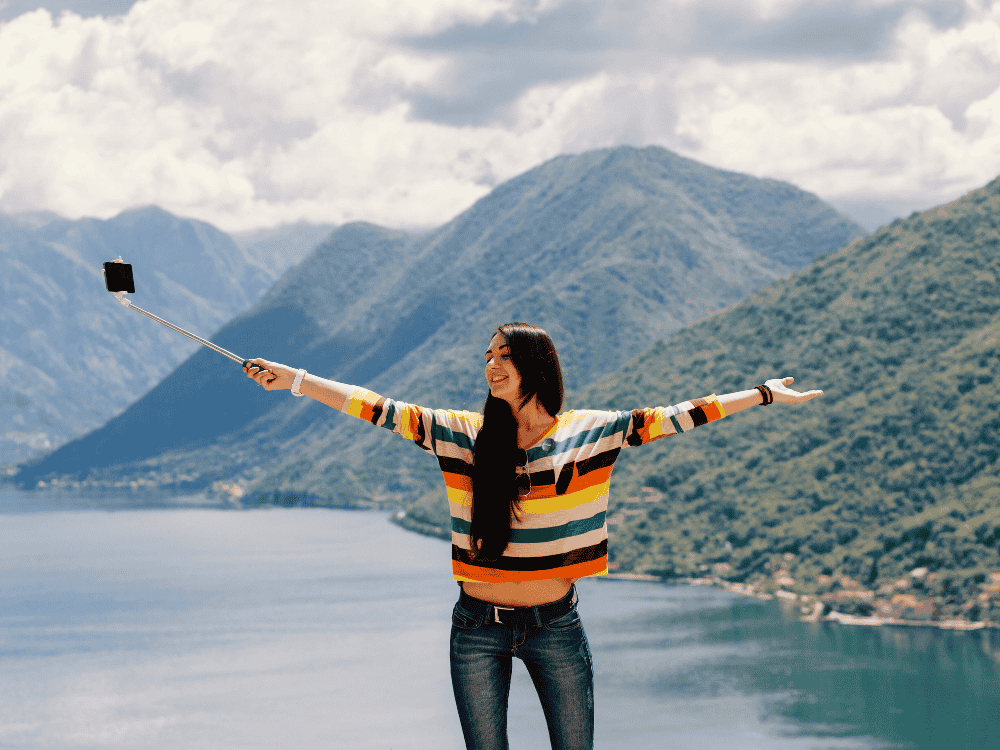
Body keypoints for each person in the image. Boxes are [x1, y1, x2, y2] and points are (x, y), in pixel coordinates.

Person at [243, 321, 823, 750]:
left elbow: (682, 414)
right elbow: (375, 407)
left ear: (536, 365)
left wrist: (764, 394)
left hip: (556, 626)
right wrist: (293, 379)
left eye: (505, 355)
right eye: (488, 355)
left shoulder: (591, 434)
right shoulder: (462, 435)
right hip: (476, 628)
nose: (492, 364)